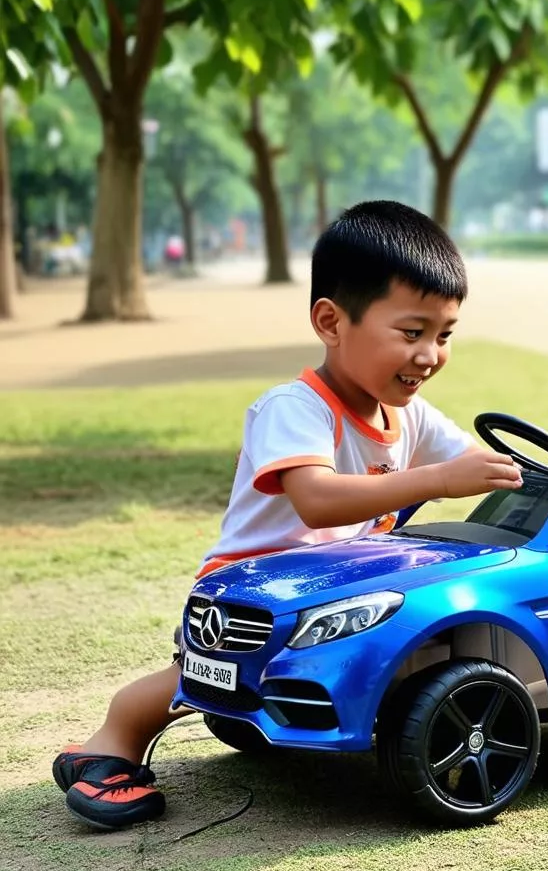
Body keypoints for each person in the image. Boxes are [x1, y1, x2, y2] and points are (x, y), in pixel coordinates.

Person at [52, 201, 523, 831]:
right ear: (331, 321)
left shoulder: (410, 416)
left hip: (339, 584)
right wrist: (438, 480)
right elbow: (317, 499)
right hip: (256, 584)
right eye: (411, 333)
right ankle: (107, 749)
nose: (429, 355)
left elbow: (475, 460)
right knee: (201, 681)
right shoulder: (295, 409)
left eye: (445, 335)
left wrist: (519, 476)